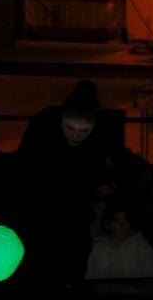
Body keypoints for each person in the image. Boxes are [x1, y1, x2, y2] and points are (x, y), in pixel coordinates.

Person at [10, 80, 137, 287]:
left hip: (74, 222)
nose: (75, 136)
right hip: (36, 218)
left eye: (83, 131)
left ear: (93, 127)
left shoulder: (103, 134)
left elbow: (121, 167)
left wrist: (110, 182)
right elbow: (19, 174)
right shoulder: (44, 124)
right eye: (69, 128)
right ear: (61, 118)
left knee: (70, 279)